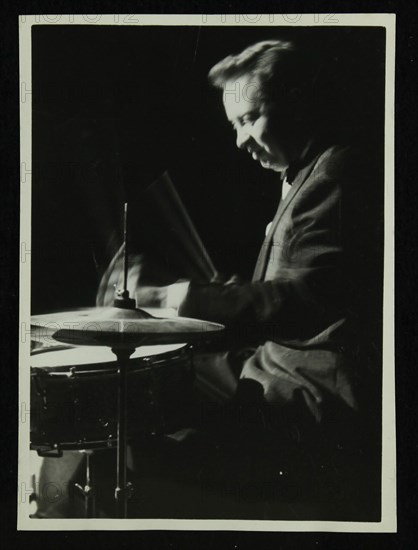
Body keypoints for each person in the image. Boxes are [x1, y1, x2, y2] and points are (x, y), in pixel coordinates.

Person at [124, 40, 383, 519]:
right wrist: (218, 292)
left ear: (297, 101)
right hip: (272, 363)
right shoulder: (303, 173)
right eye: (233, 126)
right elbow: (298, 281)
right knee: (146, 395)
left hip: (313, 389)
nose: (239, 140)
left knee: (139, 456)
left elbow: (304, 299)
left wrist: (172, 298)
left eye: (249, 119)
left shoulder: (337, 174)